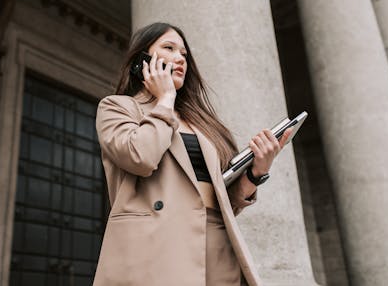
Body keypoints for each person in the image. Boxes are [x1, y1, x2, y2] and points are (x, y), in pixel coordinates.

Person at [93, 22, 292, 286]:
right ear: (142, 60)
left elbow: (224, 200)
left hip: (216, 243)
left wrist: (257, 171)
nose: (180, 59)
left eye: (184, 55)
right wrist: (164, 100)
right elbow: (140, 157)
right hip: (156, 246)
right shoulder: (118, 108)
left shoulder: (201, 123)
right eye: (169, 48)